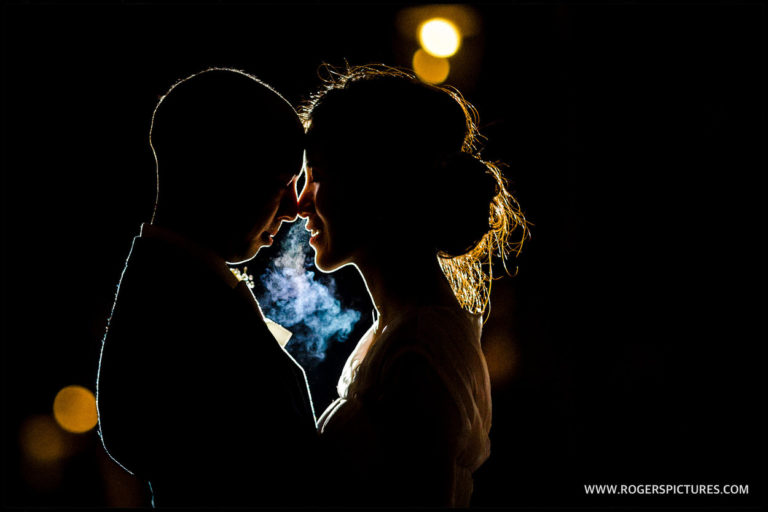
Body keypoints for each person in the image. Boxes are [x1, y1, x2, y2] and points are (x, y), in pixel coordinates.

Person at [297, 64, 529, 507]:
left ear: (372, 183)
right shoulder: (398, 329)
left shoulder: (419, 348)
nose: (301, 200)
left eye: (317, 174)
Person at [96, 68, 318, 507]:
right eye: (283, 182)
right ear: (225, 173)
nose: (294, 208)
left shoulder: (169, 288)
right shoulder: (180, 308)